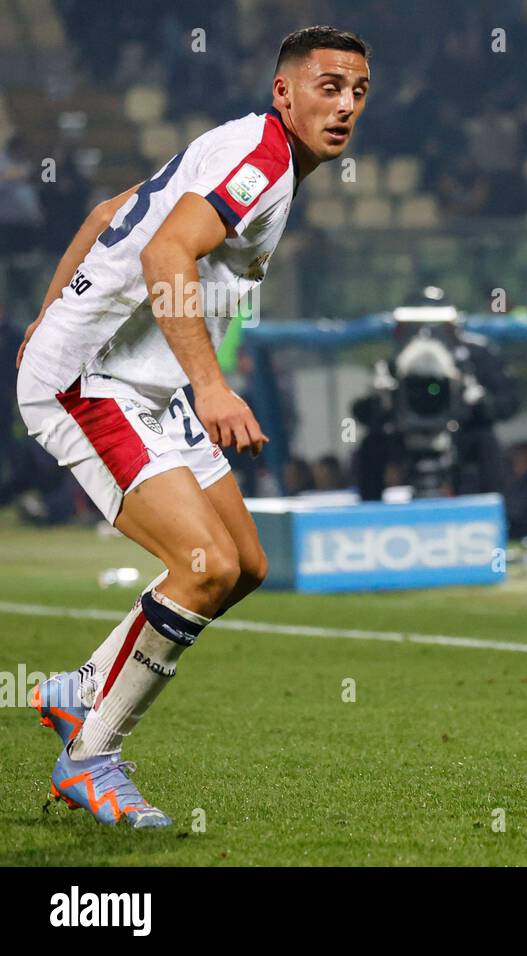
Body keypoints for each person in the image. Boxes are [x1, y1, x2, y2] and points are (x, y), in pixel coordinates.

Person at [15, 26, 372, 828]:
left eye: (357, 91)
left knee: (243, 565)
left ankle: (82, 689)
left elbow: (113, 210)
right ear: (285, 92)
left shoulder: (248, 144)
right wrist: (210, 385)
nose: (345, 104)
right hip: (94, 381)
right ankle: (92, 755)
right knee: (203, 565)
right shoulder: (265, 162)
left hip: (145, 380)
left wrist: (49, 312)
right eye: (329, 86)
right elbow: (166, 254)